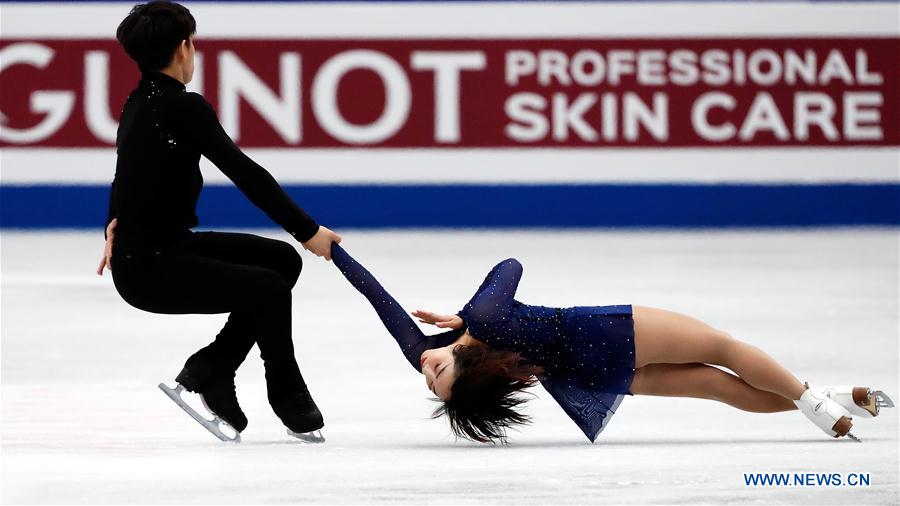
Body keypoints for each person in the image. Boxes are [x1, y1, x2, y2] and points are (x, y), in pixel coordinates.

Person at [330, 243, 893, 444]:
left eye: (427, 375)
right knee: (722, 348)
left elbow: (378, 298)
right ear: (472, 364)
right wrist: (468, 314)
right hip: (605, 333)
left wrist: (335, 254)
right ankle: (815, 403)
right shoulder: (487, 321)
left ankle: (830, 399)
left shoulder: (427, 350)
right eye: (438, 376)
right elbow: (510, 263)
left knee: (718, 390)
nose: (424, 367)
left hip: (599, 377)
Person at [96, 1, 341, 442]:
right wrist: (309, 231)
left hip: (163, 248)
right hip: (149, 268)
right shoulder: (182, 107)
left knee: (280, 262)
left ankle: (212, 368)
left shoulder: (138, 102)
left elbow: (125, 172)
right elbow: (245, 173)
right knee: (268, 287)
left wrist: (112, 223)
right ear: (184, 47)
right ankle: (286, 394)